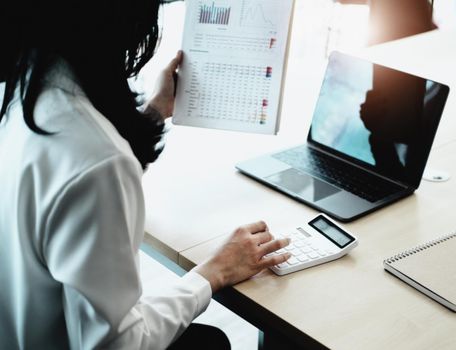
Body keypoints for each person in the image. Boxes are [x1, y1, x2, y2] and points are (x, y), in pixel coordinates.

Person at [0, 1, 291, 349]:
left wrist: (154, 112)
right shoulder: (98, 162)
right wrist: (215, 272)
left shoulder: (26, 90)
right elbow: (118, 345)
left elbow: (81, 175)